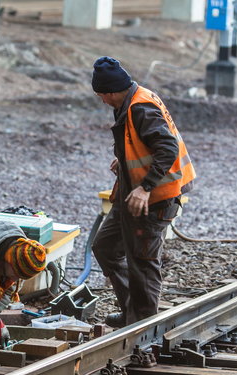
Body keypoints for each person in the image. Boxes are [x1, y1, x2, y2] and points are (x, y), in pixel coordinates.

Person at [90, 56, 196, 328]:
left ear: (112, 91)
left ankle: (144, 328)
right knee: (105, 247)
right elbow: (142, 143)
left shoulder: (141, 107)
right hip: (132, 193)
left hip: (156, 197)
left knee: (143, 261)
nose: (102, 101)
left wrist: (145, 188)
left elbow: (167, 149)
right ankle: (131, 311)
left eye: (102, 95)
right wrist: (124, 159)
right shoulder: (132, 100)